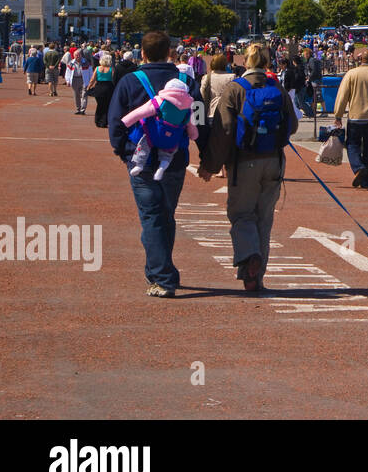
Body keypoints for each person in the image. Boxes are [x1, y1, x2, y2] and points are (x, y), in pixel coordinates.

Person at [108, 31, 204, 298]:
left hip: (141, 160)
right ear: (169, 53)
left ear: (143, 53)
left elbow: (116, 120)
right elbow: (201, 119)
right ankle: (163, 270)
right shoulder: (186, 81)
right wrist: (206, 155)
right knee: (165, 214)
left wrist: (122, 151)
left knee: (152, 216)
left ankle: (162, 277)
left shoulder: (130, 81)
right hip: (174, 159)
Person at [199, 43, 297, 292]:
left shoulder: (235, 89)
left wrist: (210, 165)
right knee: (264, 219)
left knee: (242, 215)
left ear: (246, 61)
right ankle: (257, 276)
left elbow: (224, 130)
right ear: (266, 62)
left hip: (243, 162)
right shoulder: (277, 87)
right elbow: (293, 124)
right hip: (274, 161)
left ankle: (249, 257)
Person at [332, 47, 368, 189]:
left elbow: (342, 96)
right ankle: (366, 180)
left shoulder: (351, 74)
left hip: (355, 116)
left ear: (360, 59)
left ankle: (358, 167)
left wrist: (338, 115)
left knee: (352, 144)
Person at [119, 78, 199, 179]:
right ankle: (162, 168)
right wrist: (194, 135)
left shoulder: (159, 101)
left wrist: (126, 121)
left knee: (144, 144)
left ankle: (139, 164)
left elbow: (139, 112)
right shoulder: (188, 108)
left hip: (154, 134)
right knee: (168, 154)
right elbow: (192, 125)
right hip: (172, 139)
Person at [91, 55, 116, 127]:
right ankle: (104, 121)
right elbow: (113, 79)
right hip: (108, 87)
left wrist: (89, 86)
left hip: (99, 87)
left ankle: (98, 120)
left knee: (100, 105)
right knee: (107, 105)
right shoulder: (111, 69)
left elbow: (93, 79)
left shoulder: (97, 68)